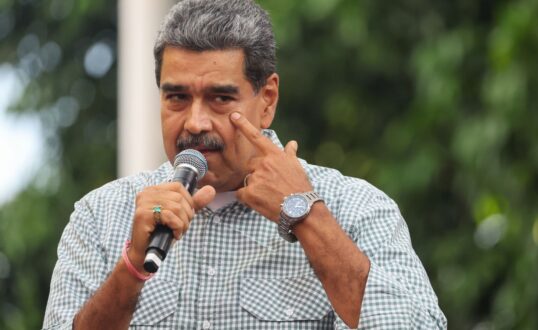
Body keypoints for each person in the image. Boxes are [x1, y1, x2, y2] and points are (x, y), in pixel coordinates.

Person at [43, 0, 446, 329]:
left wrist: (305, 214)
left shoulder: (354, 208)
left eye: (220, 98)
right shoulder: (100, 216)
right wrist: (131, 268)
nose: (195, 122)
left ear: (267, 99)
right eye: (177, 98)